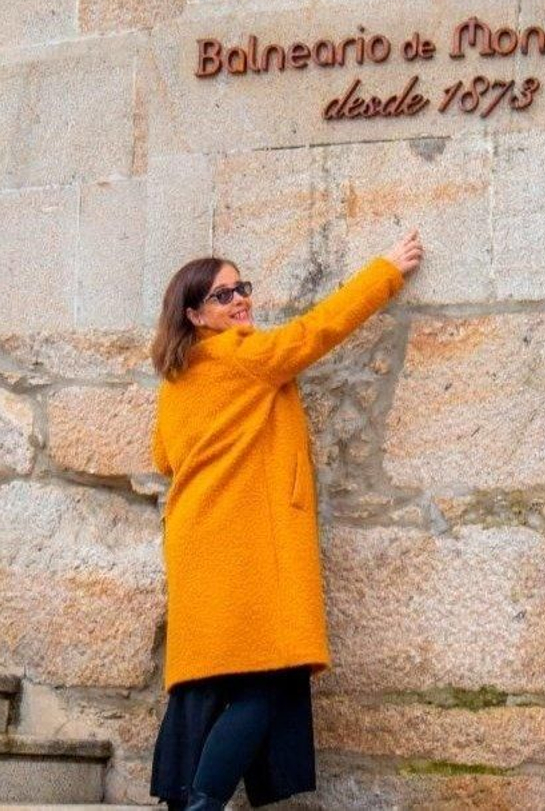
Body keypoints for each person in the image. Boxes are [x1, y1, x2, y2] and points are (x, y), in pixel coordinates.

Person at [147, 231, 424, 810]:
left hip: (200, 540)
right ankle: (203, 802)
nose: (240, 300)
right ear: (195, 314)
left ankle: (195, 798)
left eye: (241, 287)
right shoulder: (246, 357)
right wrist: (386, 272)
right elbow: (316, 330)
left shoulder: (178, 381)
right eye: (224, 296)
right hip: (245, 543)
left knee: (225, 685)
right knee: (269, 681)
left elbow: (163, 458)